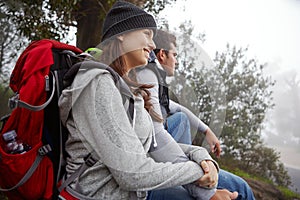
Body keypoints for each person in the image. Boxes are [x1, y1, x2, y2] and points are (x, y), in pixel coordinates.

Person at [58, 1, 238, 200]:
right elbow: (132, 175)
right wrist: (198, 172)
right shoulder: (98, 85)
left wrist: (201, 156)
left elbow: (149, 145)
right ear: (122, 34)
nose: (152, 45)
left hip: (134, 190)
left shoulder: (126, 87)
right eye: (147, 34)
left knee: (240, 188)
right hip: (102, 194)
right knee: (237, 192)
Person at [135, 29, 256, 200]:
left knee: (181, 118)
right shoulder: (147, 74)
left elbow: (173, 107)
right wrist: (204, 190)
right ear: (162, 54)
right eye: (175, 55)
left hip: (155, 157)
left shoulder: (154, 78)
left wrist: (206, 131)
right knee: (240, 188)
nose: (176, 61)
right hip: (148, 173)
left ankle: (188, 177)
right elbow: (155, 136)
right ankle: (188, 182)